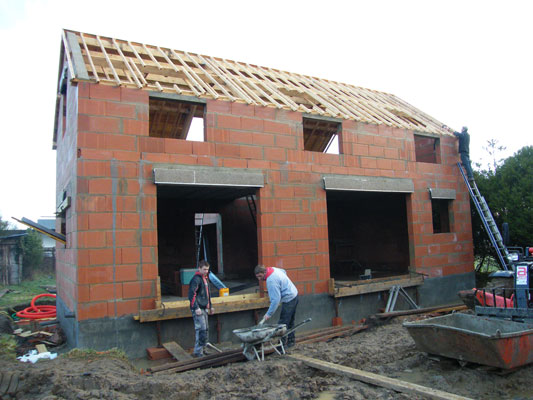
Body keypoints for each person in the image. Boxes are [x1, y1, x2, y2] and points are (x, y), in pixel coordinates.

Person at [254, 264, 299, 348]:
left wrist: (268, 314)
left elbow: (275, 301)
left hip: (289, 298)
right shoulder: (272, 269)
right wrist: (280, 286)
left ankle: (281, 346)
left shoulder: (271, 281)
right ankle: (291, 341)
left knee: (282, 324)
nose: (259, 279)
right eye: (257, 277)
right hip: (294, 293)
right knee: (290, 321)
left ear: (264, 272)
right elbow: (284, 271)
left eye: (260, 276)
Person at [188, 260, 214, 357]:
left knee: (205, 329)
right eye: (204, 269)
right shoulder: (196, 280)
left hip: (204, 307)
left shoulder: (205, 279)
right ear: (199, 268)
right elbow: (191, 294)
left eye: (207, 269)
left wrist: (210, 306)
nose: (206, 271)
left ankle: (203, 349)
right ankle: (198, 352)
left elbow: (208, 294)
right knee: (201, 329)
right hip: (198, 308)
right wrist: (196, 307)